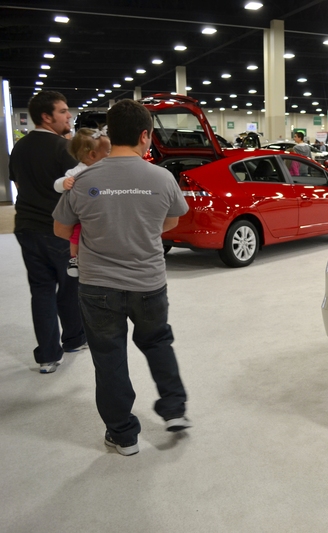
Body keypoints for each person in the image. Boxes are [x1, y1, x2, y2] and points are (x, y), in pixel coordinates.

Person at [52, 99, 191, 456]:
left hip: (98, 286)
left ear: (110, 136)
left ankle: (124, 435)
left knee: (109, 357)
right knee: (158, 342)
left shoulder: (85, 180)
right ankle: (174, 409)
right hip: (148, 283)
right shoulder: (162, 177)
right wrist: (142, 228)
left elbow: (60, 228)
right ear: (145, 136)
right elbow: (174, 220)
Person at [9, 90, 86, 374]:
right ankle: (75, 339)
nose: (69, 116)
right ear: (46, 116)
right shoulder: (61, 149)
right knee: (69, 287)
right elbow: (81, 184)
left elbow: (16, 178)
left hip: (26, 228)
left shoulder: (20, 147)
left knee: (41, 290)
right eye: (64, 111)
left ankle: (48, 356)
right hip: (58, 230)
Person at [54, 127, 111, 277]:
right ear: (92, 154)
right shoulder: (77, 171)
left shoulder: (106, 169)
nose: (110, 155)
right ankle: (75, 258)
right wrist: (64, 183)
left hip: (101, 209)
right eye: (108, 152)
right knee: (77, 233)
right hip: (83, 212)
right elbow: (57, 184)